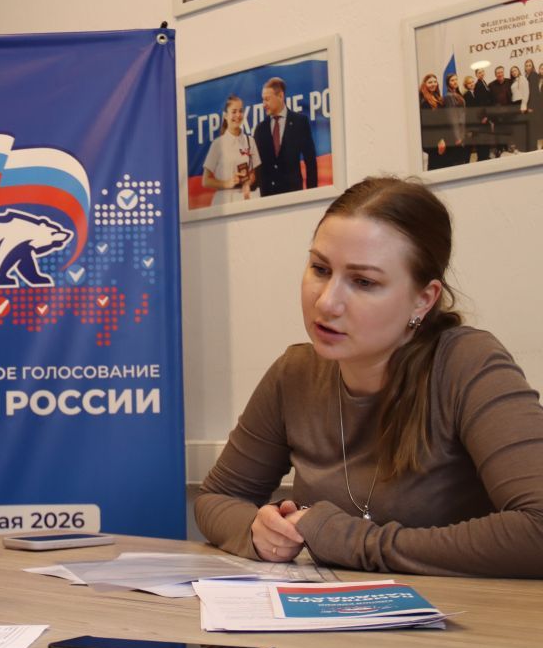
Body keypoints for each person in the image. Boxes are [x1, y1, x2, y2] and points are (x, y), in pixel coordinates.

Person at [195, 176, 543, 577]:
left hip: (461, 614)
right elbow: (217, 497)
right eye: (320, 269)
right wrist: (257, 531)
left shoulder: (467, 363)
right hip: (330, 611)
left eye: (363, 282)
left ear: (423, 300)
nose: (327, 302)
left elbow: (537, 527)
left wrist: (354, 542)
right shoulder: (294, 373)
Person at [253, 76, 318, 196]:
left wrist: (312, 194)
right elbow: (256, 169)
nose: (263, 104)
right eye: (263, 100)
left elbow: (310, 162)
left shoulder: (300, 122)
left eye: (267, 99)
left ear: (280, 96)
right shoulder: (260, 129)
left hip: (294, 196)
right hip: (268, 198)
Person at [201, 94, 259, 205]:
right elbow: (206, 181)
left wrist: (247, 183)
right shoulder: (217, 144)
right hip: (223, 201)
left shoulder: (250, 141)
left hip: (245, 199)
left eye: (240, 111)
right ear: (225, 115)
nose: (238, 115)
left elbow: (253, 174)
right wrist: (227, 183)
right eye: (234, 111)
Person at [417, 73, 448, 171]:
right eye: (430, 82)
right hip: (434, 140)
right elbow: (429, 123)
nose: (433, 84)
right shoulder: (424, 101)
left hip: (442, 137)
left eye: (435, 81)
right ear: (424, 84)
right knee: (436, 167)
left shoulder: (436, 96)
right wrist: (439, 140)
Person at [462, 74, 492, 162]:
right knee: (480, 143)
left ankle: (486, 157)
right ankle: (481, 159)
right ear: (466, 85)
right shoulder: (465, 96)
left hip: (485, 121)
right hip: (476, 123)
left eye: (472, 82)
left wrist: (486, 116)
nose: (472, 84)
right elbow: (469, 112)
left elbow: (485, 105)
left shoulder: (479, 92)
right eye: (469, 83)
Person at [441, 73, 467, 168]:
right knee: (457, 162)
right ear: (448, 83)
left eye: (456, 79)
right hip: (456, 133)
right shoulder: (448, 96)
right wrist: (457, 137)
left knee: (462, 160)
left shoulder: (456, 93)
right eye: (452, 80)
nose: (455, 82)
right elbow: (452, 118)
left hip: (461, 130)